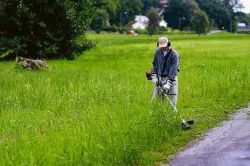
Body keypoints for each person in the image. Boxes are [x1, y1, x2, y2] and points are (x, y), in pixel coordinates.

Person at [151, 36, 180, 106]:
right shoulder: (157, 52)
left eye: (164, 46)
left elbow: (173, 70)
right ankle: (157, 115)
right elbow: (155, 64)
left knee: (172, 100)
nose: (162, 48)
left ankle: (172, 115)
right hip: (159, 78)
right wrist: (154, 76)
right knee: (155, 100)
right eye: (160, 46)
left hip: (171, 79)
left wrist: (169, 83)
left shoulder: (174, 55)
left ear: (168, 44)